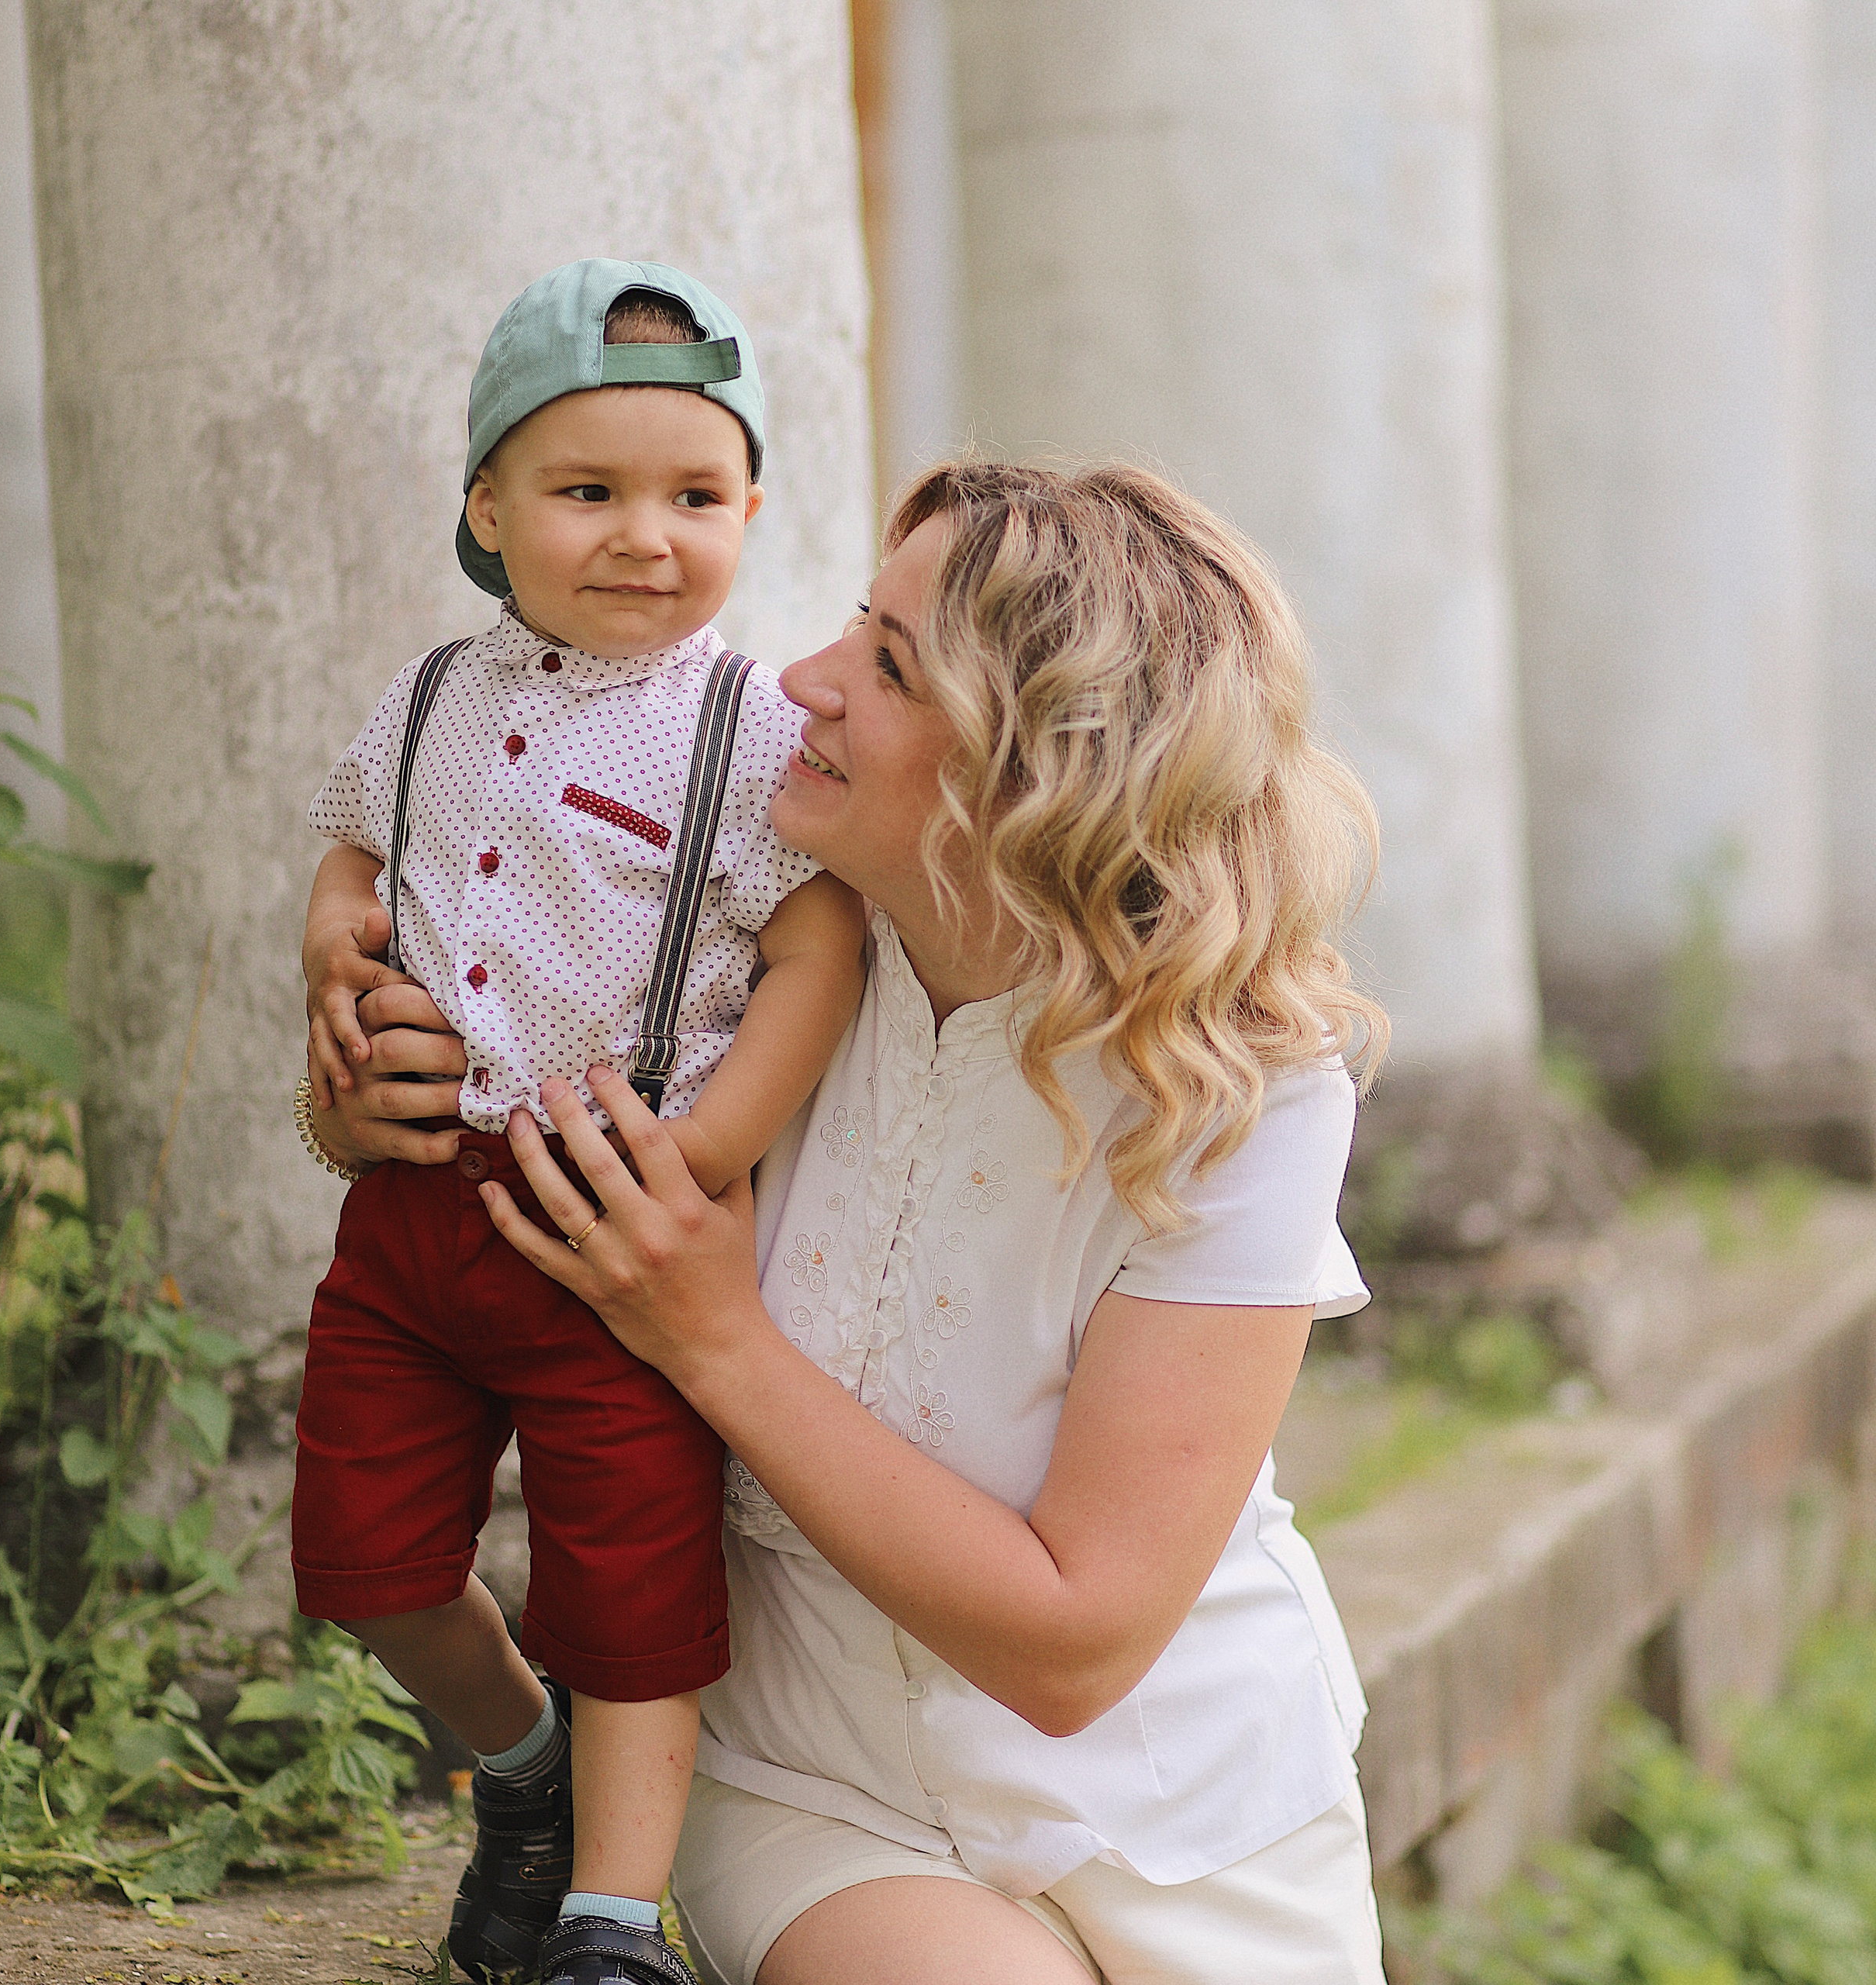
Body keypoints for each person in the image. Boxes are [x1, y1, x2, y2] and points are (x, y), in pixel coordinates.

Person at [309, 460, 1391, 1984]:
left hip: (1185, 1811)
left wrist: (714, 1337)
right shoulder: (724, 969)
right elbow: (465, 1075)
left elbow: (1075, 1641)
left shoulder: (1243, 1085)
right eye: (849, 622)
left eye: (885, 665)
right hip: (819, 1799)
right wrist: (362, 1101)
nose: (800, 681)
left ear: (1039, 768)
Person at [294, 258, 866, 1985]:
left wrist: (705, 1155)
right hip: (411, 1211)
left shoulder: (749, 733)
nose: (644, 535)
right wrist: (331, 938)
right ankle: (520, 1767)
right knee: (364, 1557)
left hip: (615, 1219)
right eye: (587, 491)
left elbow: (814, 940)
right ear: (487, 504)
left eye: (695, 496)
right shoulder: (426, 696)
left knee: (629, 1583)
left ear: (749, 509)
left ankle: (613, 1919)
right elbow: (350, 840)